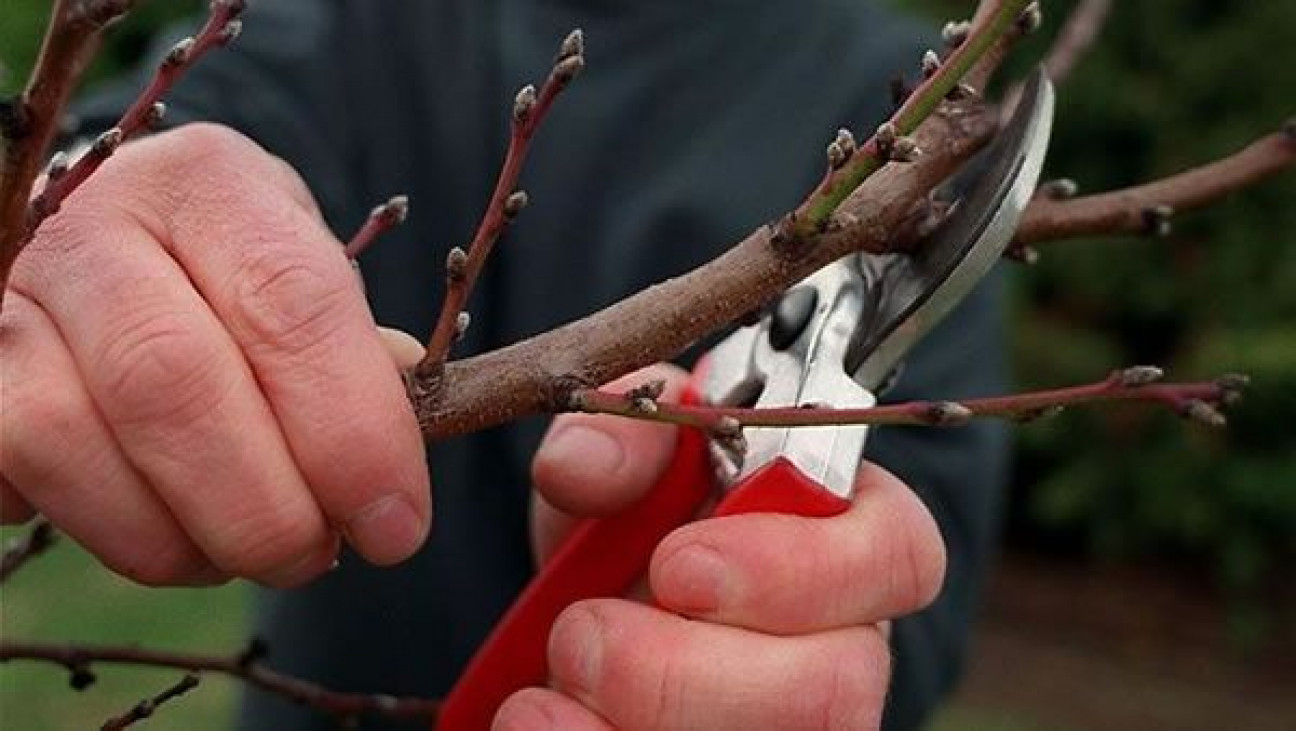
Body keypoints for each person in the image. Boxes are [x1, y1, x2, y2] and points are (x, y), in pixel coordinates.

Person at [1, 1, 1010, 728]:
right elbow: (130, 144)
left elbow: (909, 596)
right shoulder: (347, 27)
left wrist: (795, 630)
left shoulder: (902, 116)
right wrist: (76, 219)